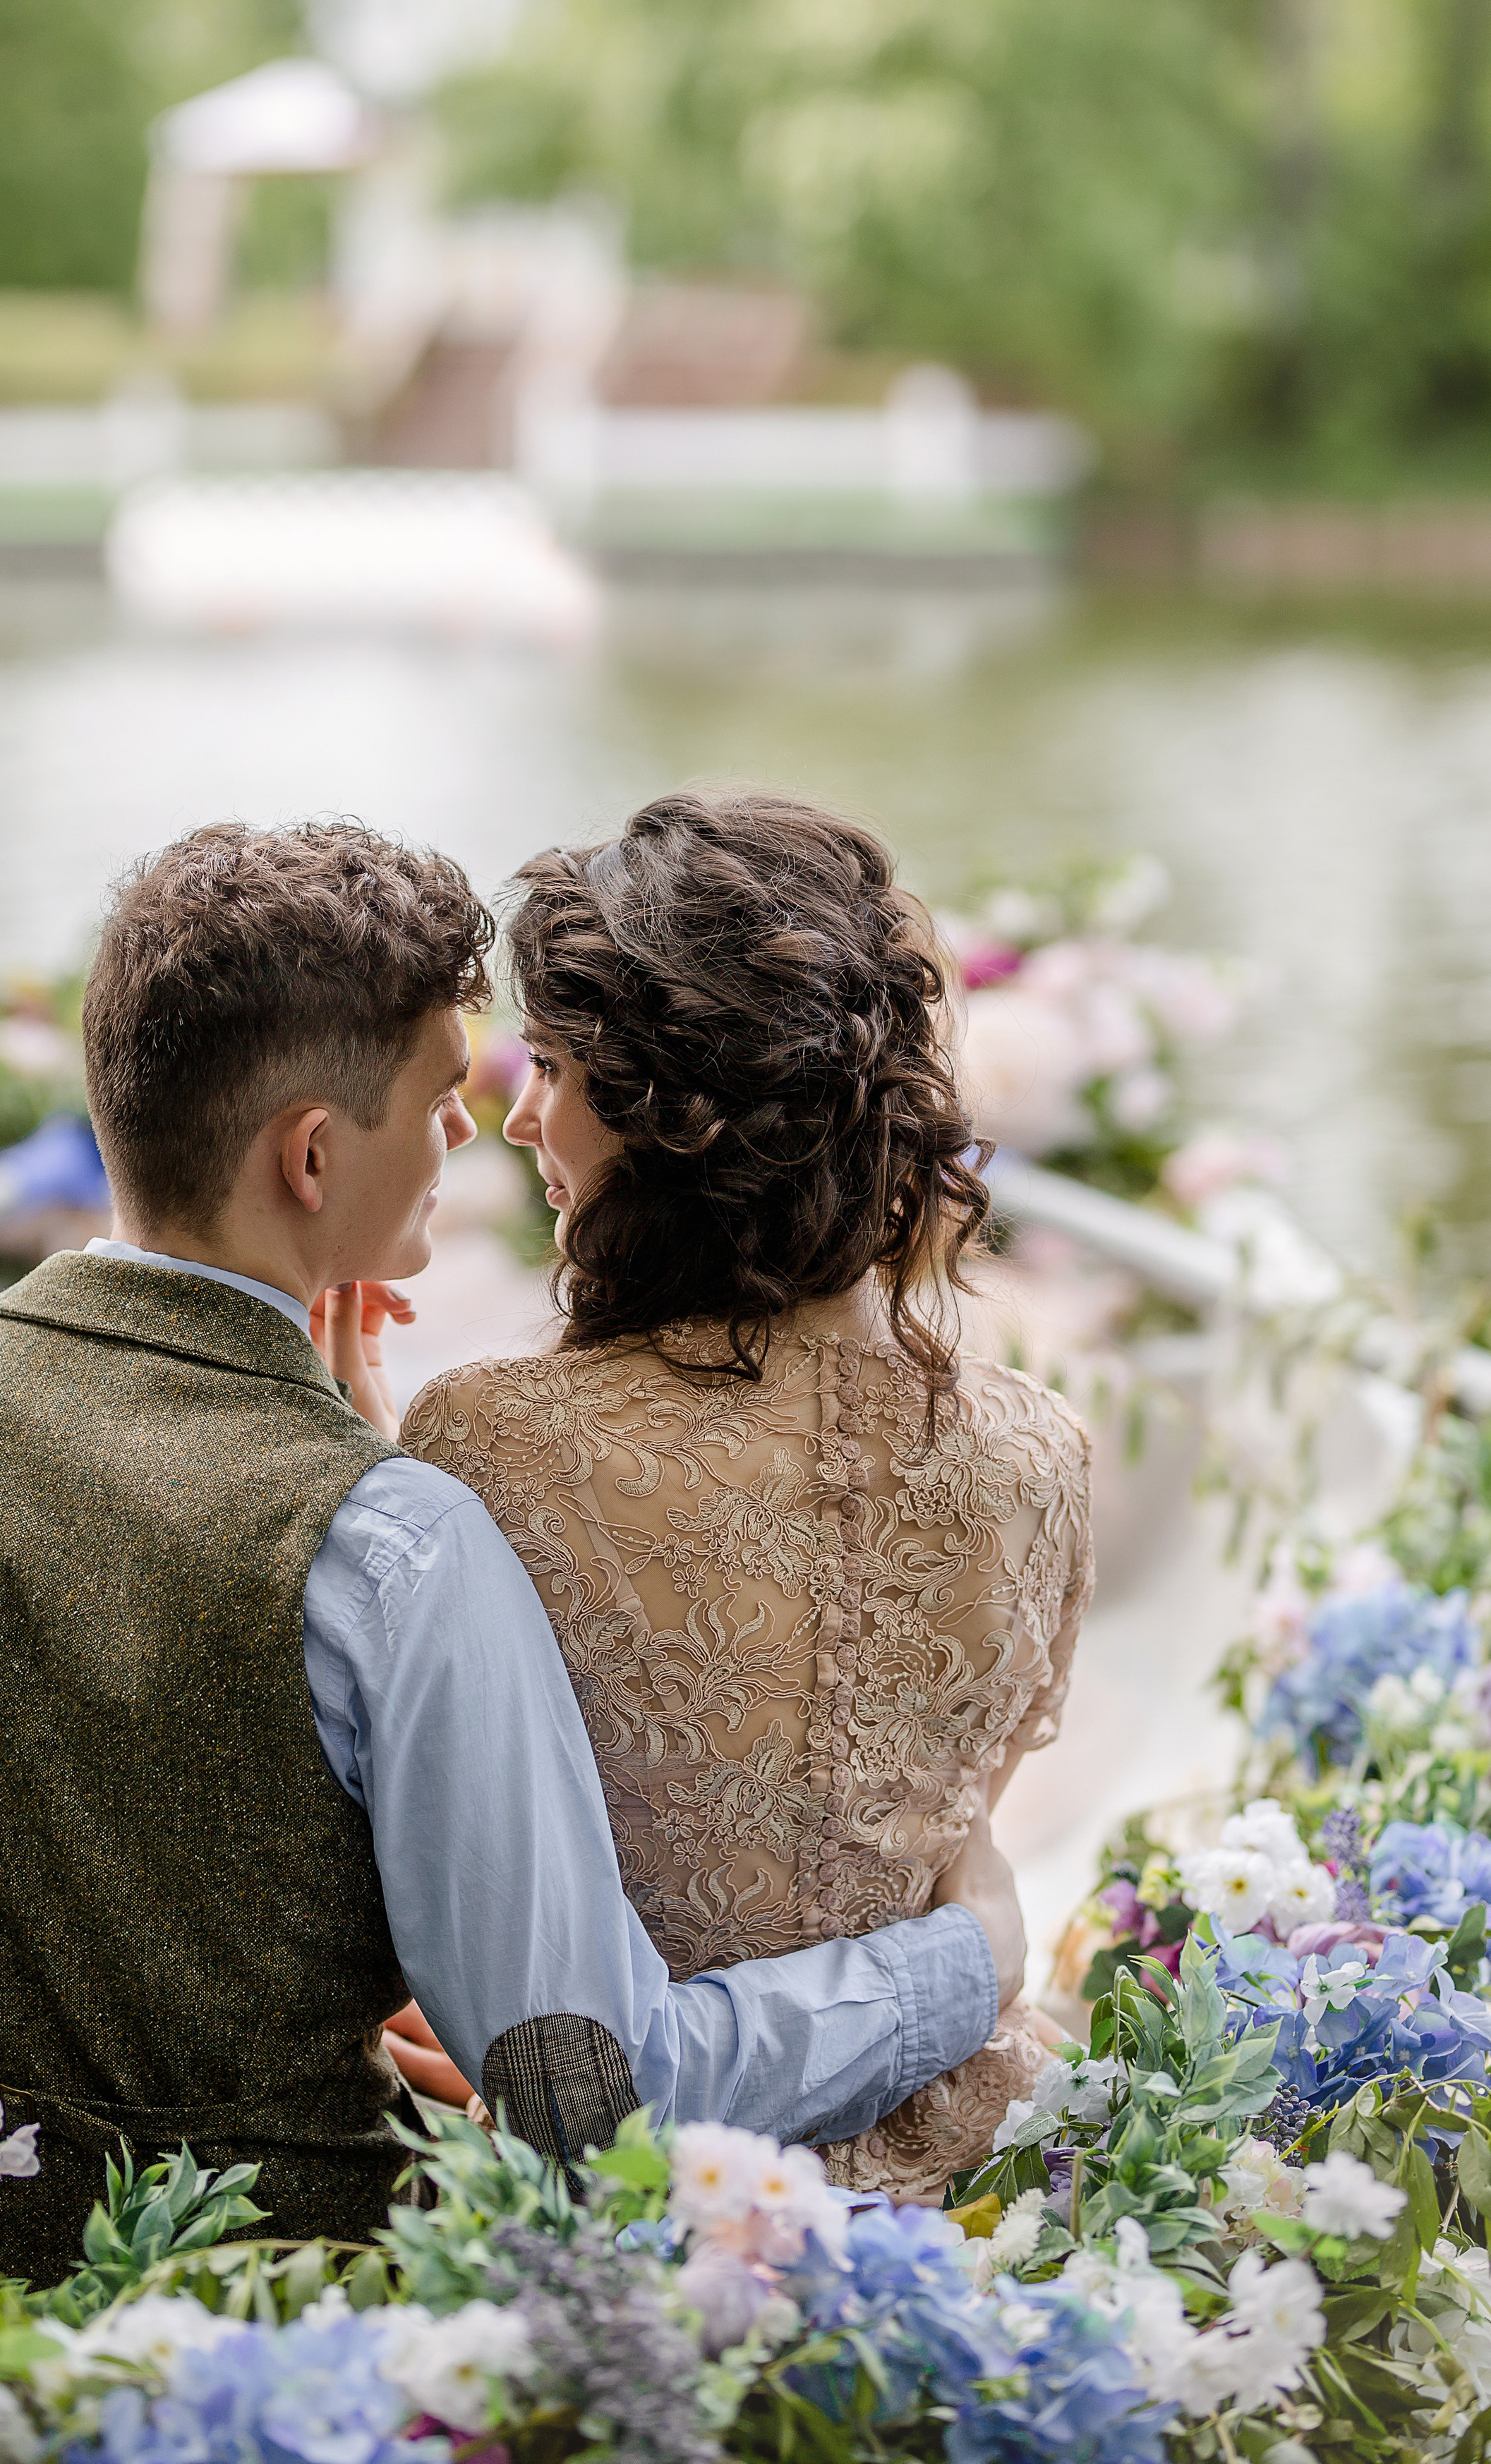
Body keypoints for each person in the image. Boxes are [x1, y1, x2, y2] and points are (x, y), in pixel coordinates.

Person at [0, 818, 1025, 2286]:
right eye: (442, 1096)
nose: (470, 1130)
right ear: (311, 1155)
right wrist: (969, 1960)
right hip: (252, 2321)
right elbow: (594, 2100)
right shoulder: (392, 1545)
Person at [402, 792, 1092, 2204]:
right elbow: (959, 1842)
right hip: (977, 2190)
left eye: (555, 1070)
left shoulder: (486, 1436)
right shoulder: (1043, 1457)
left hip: (648, 2204)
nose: (523, 1115)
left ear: (659, 1118)